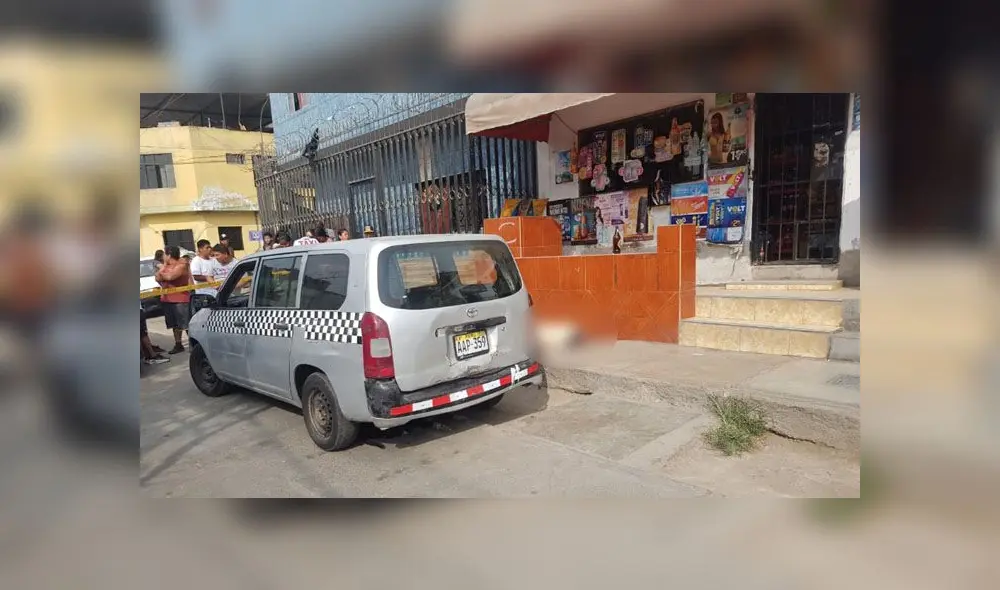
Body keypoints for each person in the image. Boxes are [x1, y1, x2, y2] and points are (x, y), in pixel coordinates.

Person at [155, 245, 192, 354]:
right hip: (167, 299)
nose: (163, 256)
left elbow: (171, 277)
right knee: (174, 325)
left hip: (180, 299)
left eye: (164, 254)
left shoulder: (182, 265)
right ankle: (178, 344)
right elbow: (157, 278)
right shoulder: (165, 266)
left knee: (185, 324)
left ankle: (193, 343)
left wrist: (162, 272)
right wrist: (163, 269)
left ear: (169, 255)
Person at [189, 239, 216, 315]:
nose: (209, 249)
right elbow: (196, 276)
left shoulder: (213, 260)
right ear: (200, 249)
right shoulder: (196, 261)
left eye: (210, 247)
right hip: (204, 294)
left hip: (215, 293)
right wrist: (208, 278)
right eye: (207, 247)